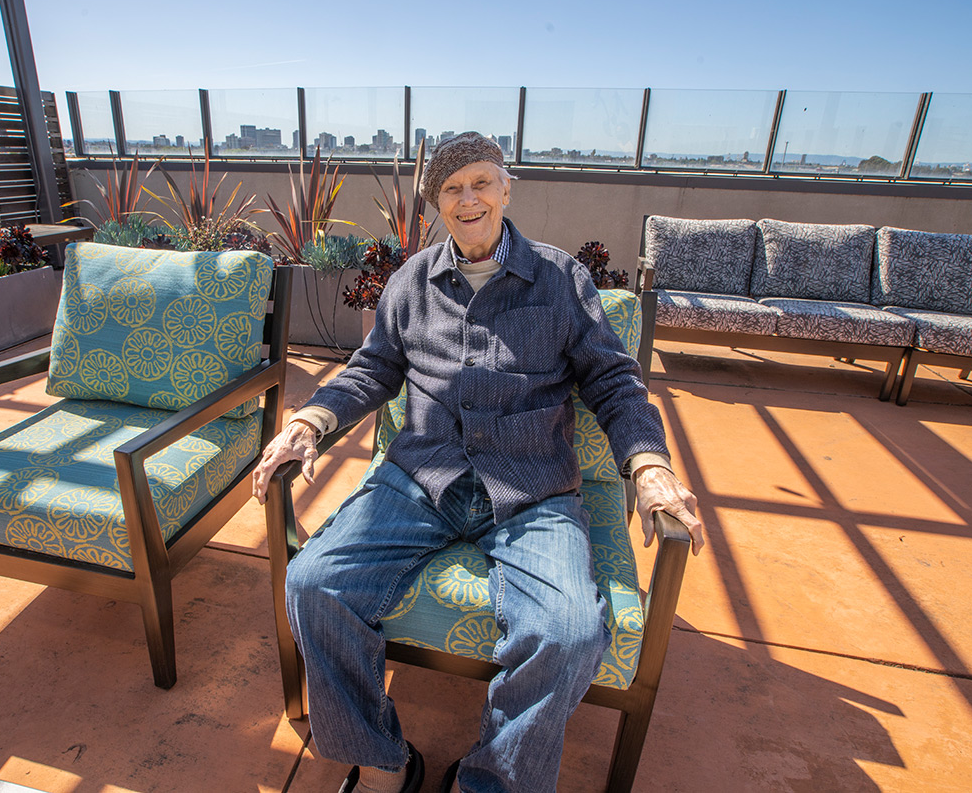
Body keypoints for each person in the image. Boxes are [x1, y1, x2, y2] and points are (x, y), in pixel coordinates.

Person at [251, 132, 704, 793]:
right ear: (437, 203)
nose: (469, 200)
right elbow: (373, 367)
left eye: (481, 183)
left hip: (532, 488)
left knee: (571, 630)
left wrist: (649, 464)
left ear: (506, 188)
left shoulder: (560, 279)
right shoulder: (412, 281)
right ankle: (381, 758)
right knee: (312, 583)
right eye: (453, 188)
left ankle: (493, 779)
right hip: (420, 478)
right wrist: (309, 421)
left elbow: (613, 379)